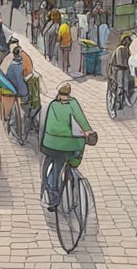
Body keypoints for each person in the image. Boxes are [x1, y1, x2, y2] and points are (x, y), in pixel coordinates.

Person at [41, 81, 94, 211]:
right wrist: (87, 131)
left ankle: (53, 195)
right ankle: (73, 164)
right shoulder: (73, 103)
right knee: (78, 147)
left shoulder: (53, 105)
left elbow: (50, 126)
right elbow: (81, 119)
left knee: (56, 168)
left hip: (52, 144)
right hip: (71, 144)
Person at [109, 34, 133, 102]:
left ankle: (123, 99)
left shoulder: (125, 49)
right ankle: (119, 100)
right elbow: (120, 63)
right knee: (121, 85)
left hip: (122, 69)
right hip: (118, 70)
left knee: (124, 84)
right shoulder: (121, 49)